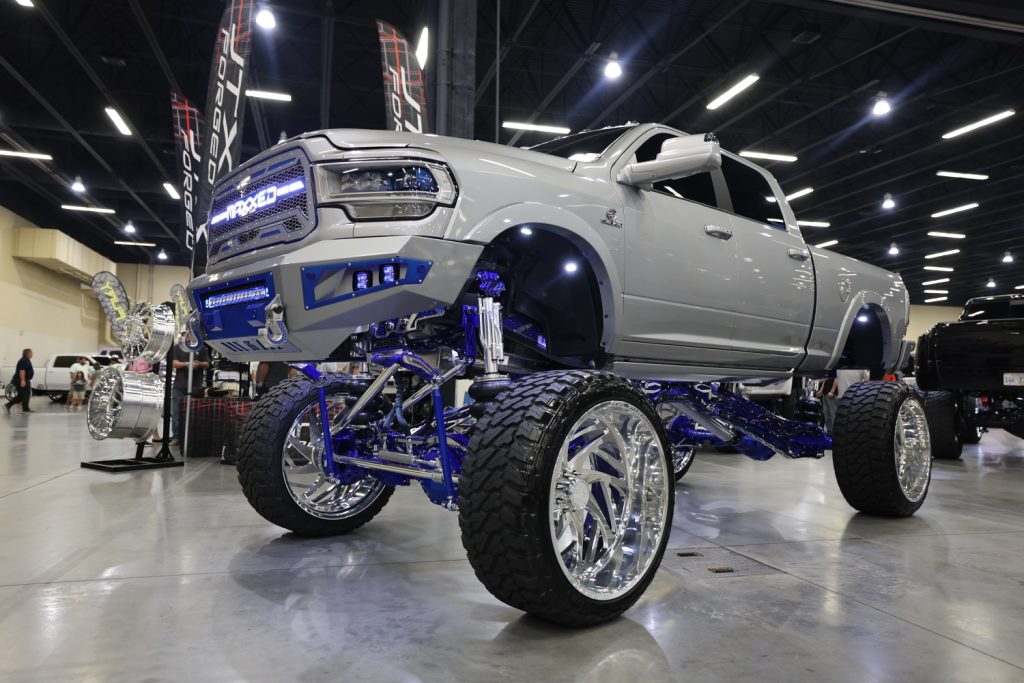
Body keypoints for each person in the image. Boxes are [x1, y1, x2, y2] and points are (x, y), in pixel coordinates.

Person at [171, 344, 211, 444]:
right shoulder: (178, 347)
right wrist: (187, 364)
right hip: (180, 385)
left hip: (195, 386)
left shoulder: (200, 347)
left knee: (195, 412)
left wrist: (199, 364)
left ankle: (192, 436)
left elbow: (207, 364)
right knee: (177, 412)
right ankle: (177, 436)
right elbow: (174, 363)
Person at [5, 348, 34, 414]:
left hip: (22, 380)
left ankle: (8, 405)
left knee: (22, 396)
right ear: (28, 353)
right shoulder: (24, 361)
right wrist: (23, 380)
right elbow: (22, 371)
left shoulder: (26, 360)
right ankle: (25, 410)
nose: (32, 354)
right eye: (31, 353)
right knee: (25, 395)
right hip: (20, 380)